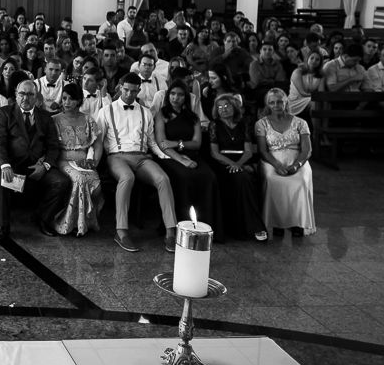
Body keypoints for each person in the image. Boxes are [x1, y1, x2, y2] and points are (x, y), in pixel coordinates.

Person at [95, 73, 178, 253]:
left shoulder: (145, 112)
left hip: (141, 157)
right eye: (126, 90)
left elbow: (151, 142)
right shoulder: (106, 111)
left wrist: (164, 157)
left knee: (163, 179)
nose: (129, 94)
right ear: (119, 87)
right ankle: (121, 231)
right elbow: (98, 140)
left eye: (134, 91)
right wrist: (92, 160)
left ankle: (171, 232)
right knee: (127, 177)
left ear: (139, 90)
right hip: (117, 157)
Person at [0, 75, 71, 240]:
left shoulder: (45, 117)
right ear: (16, 94)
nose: (25, 98)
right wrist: (5, 165)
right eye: (22, 93)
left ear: (37, 97)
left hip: (37, 167)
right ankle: (2, 226)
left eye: (30, 94)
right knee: (2, 182)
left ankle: (42, 217)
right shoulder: (5, 113)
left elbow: (53, 145)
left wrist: (46, 165)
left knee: (61, 182)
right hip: (13, 166)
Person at [154, 80, 223, 229]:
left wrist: (178, 143)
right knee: (185, 176)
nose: (175, 97)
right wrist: (180, 159)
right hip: (168, 157)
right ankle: (182, 225)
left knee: (208, 176)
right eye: (172, 94)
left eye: (180, 94)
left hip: (191, 154)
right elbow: (162, 143)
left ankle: (207, 225)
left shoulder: (194, 117)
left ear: (186, 97)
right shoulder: (161, 114)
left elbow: (196, 143)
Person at [205, 93, 267, 241]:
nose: (223, 109)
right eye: (219, 107)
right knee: (242, 178)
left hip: (241, 160)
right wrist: (232, 164)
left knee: (248, 176)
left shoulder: (243, 124)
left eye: (227, 106)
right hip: (223, 162)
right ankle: (255, 226)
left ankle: (249, 224)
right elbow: (214, 153)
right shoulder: (214, 125)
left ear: (235, 107)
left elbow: (248, 150)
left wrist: (239, 164)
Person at [256, 88, 316, 236]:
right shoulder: (261, 124)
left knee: (301, 180)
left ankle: (298, 224)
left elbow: (307, 150)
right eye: (271, 102)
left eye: (279, 102)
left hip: (297, 158)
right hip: (272, 160)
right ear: (267, 104)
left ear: (286, 102)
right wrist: (277, 165)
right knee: (272, 178)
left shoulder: (300, 122)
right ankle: (277, 224)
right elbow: (262, 150)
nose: (276, 105)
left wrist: (296, 165)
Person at [51, 83, 103, 237]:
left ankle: (86, 220)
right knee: (79, 179)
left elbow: (98, 143)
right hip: (64, 160)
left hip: (84, 161)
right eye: (64, 98)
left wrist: (94, 163)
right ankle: (70, 223)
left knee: (97, 187)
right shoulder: (55, 119)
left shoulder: (88, 119)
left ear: (79, 100)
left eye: (71, 99)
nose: (66, 102)